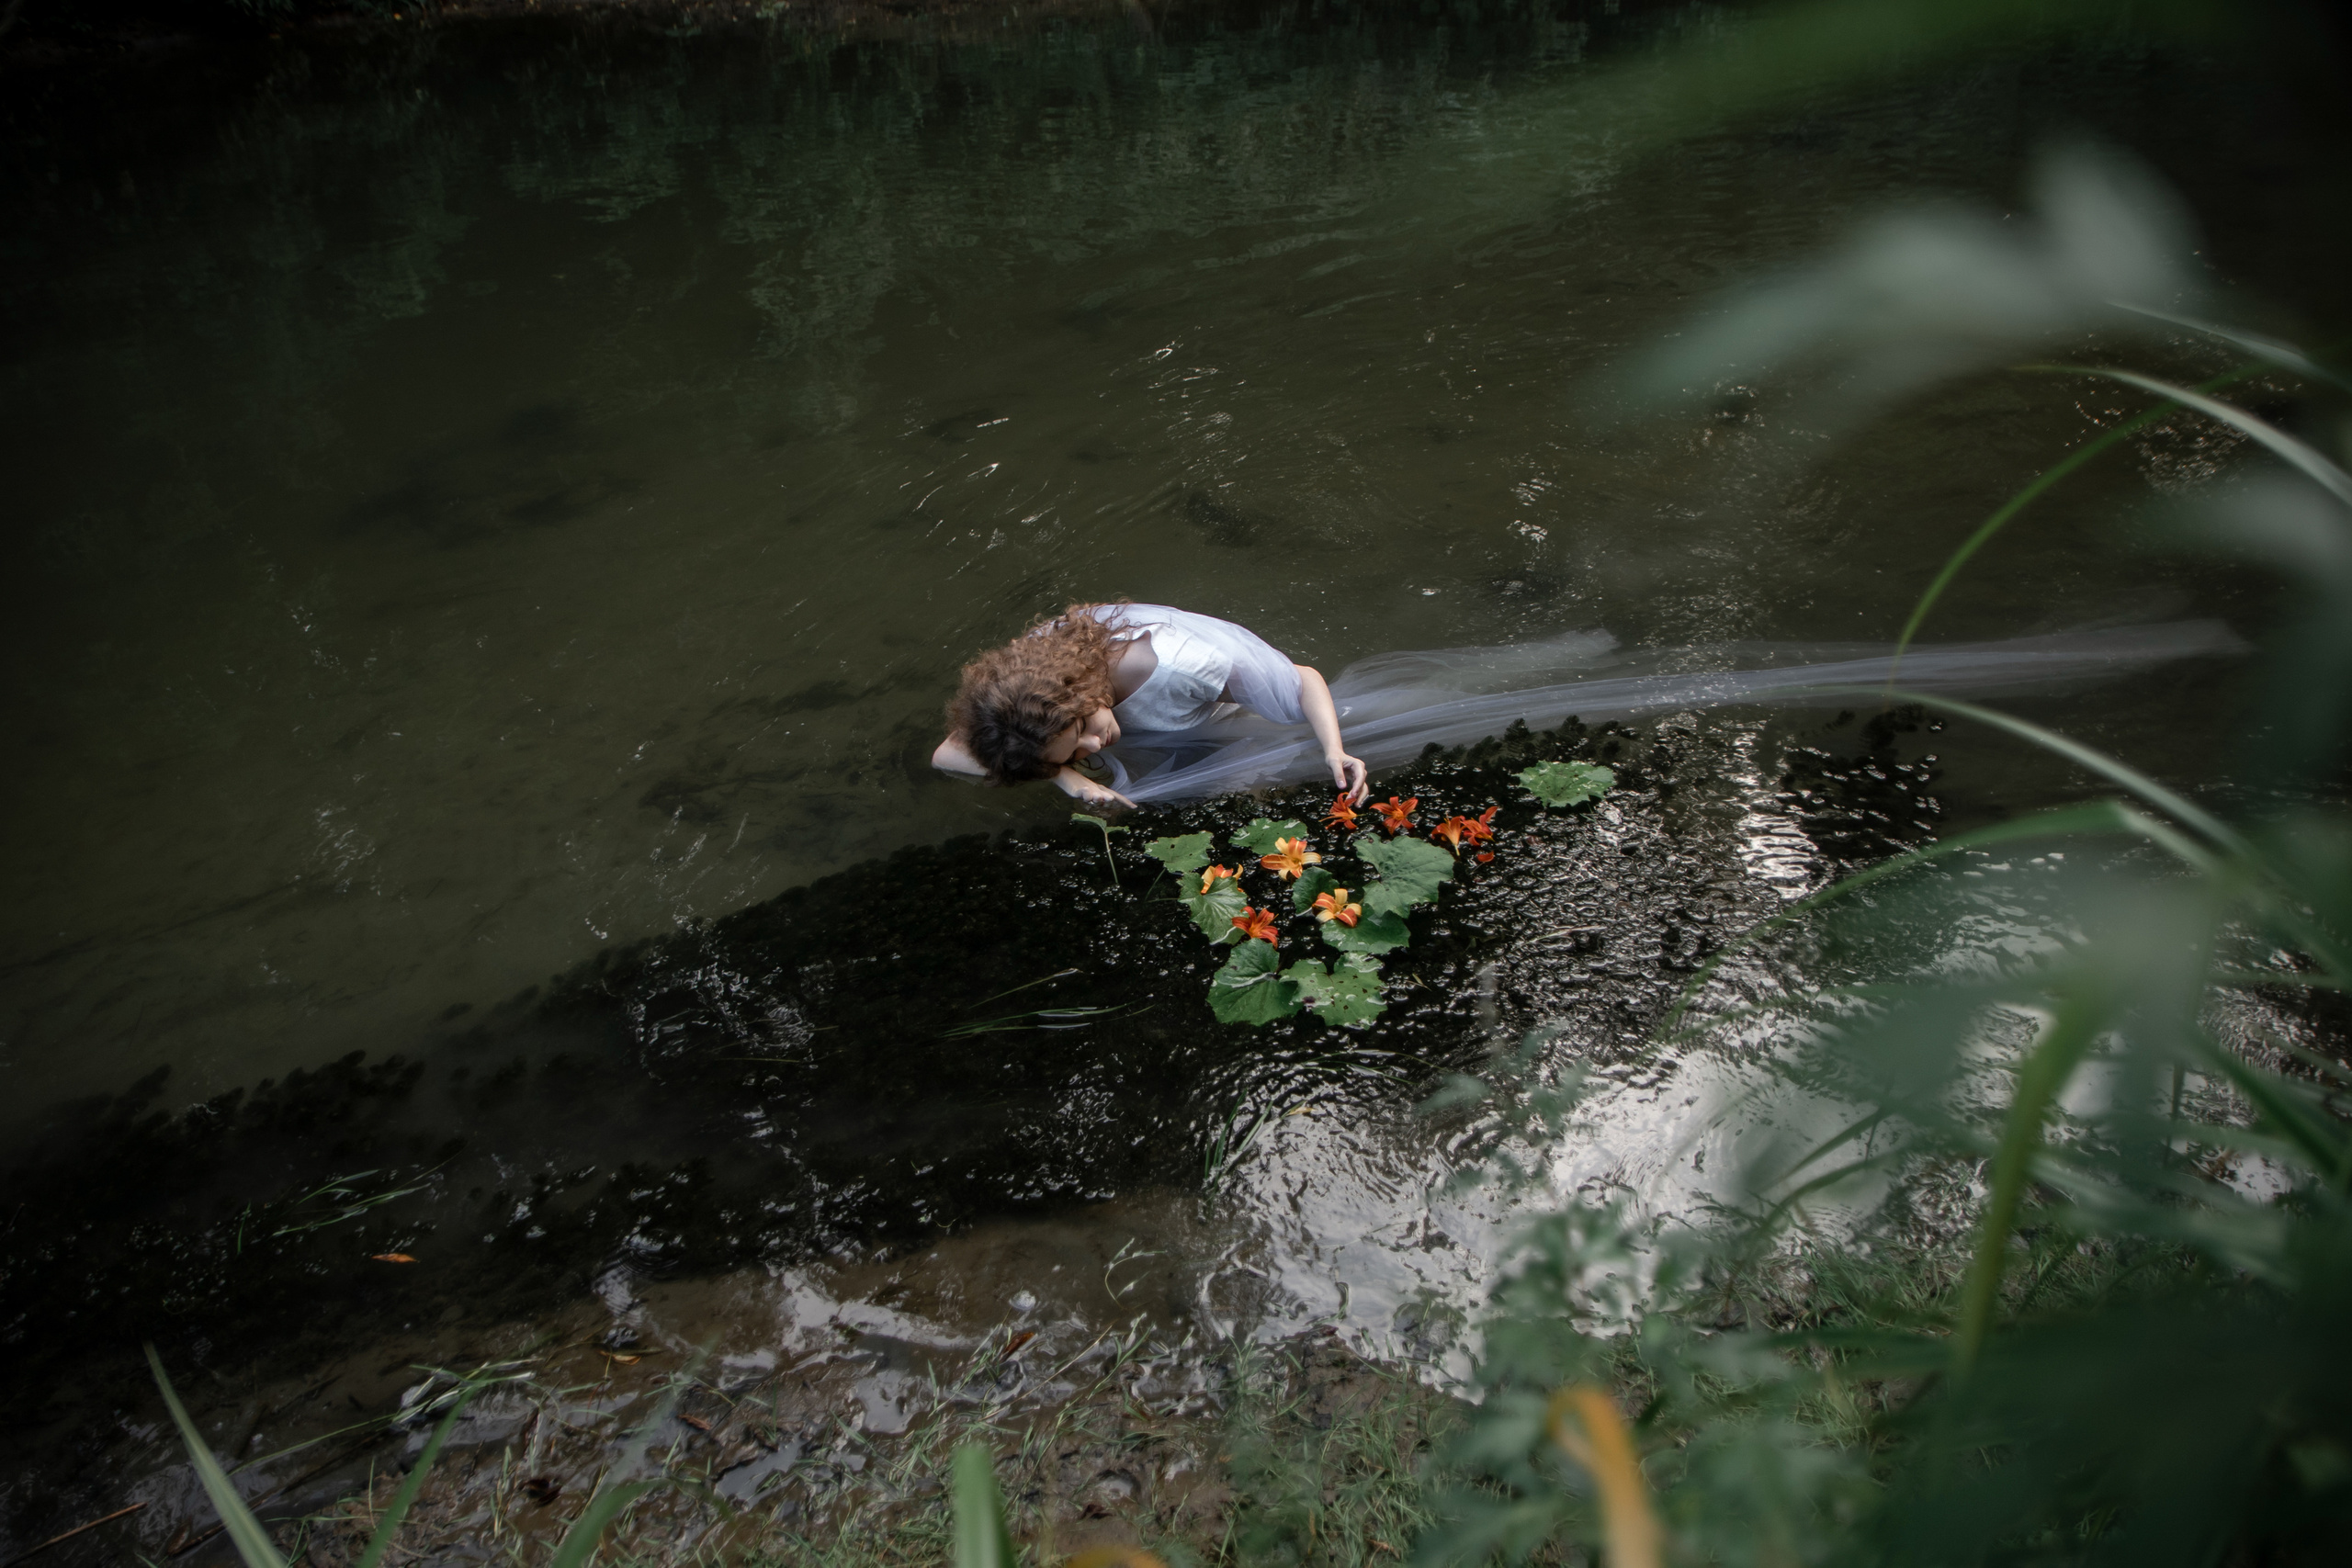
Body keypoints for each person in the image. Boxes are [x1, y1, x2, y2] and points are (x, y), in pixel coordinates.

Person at [932, 602, 1371, 809]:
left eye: (1085, 723)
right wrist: (1064, 777)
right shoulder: (1023, 705)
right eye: (1076, 751)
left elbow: (1305, 681)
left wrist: (1334, 749)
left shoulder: (1182, 669)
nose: (1096, 743)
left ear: (1078, 690)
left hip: (1216, 726)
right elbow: (945, 755)